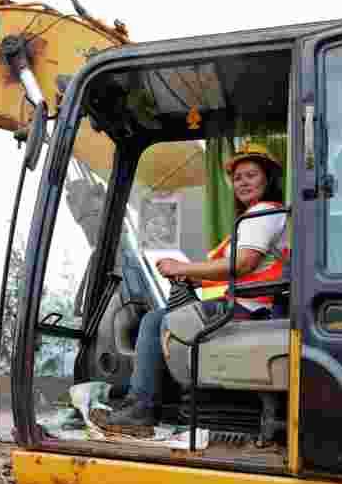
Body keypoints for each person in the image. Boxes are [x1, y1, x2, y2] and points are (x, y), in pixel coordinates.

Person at [106, 141, 289, 428]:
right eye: (238, 178)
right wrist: (192, 277)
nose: (243, 183)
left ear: (269, 177)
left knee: (155, 322)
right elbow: (235, 271)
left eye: (251, 175)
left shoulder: (264, 213)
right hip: (248, 303)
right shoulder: (263, 216)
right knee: (162, 320)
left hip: (251, 309)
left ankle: (141, 406)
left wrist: (183, 267)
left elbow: (242, 264)